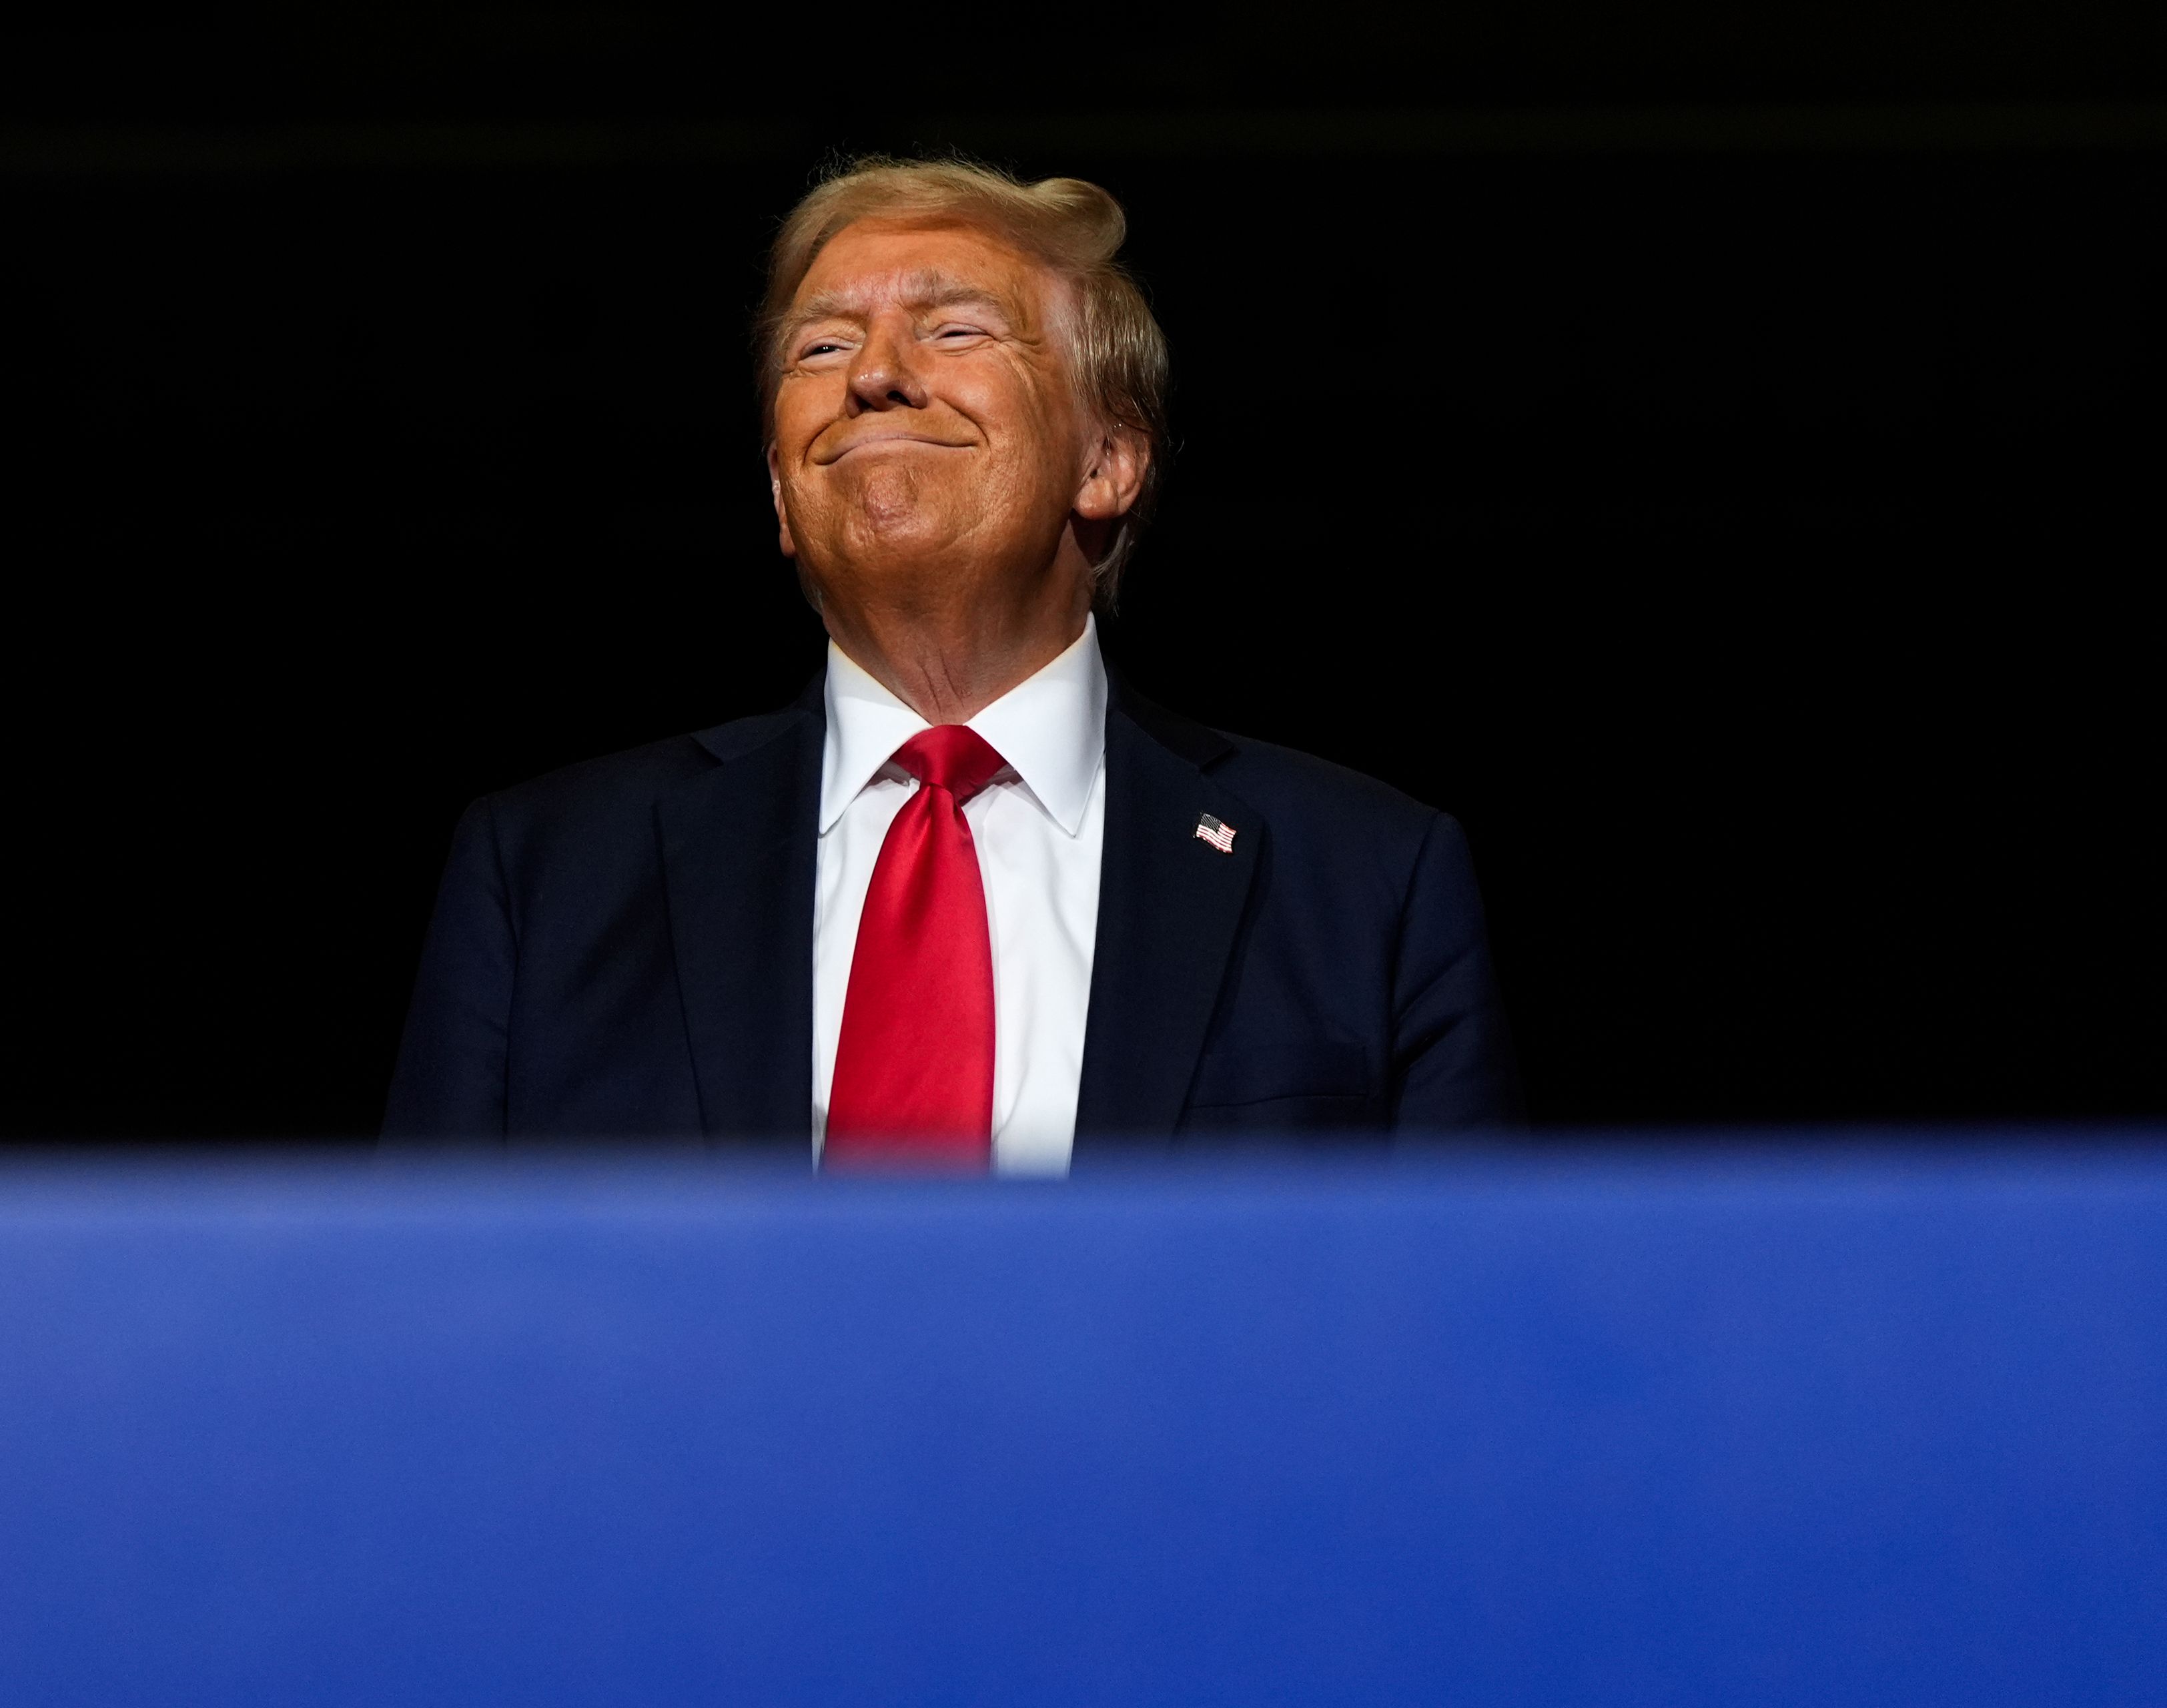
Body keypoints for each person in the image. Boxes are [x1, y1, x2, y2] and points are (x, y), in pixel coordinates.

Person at [384, 157, 1517, 1170]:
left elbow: (1461, 1337)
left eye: (956, 330)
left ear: (1109, 461)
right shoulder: (548, 878)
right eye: (822, 346)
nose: (874, 375)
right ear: (782, 493)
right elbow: (421, 1325)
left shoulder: (1369, 881)